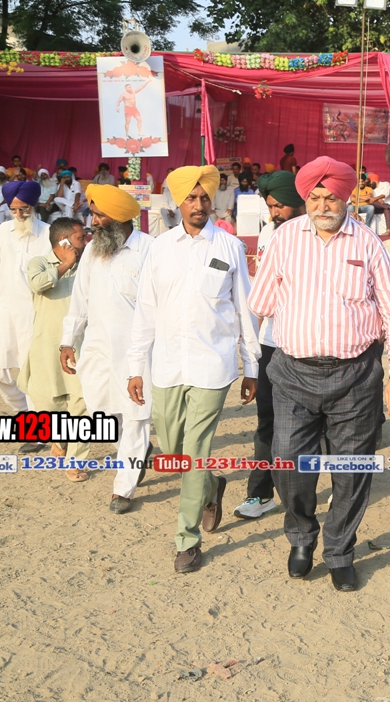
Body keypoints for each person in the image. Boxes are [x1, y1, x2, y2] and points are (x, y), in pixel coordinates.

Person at [247, 157, 390, 592]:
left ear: (347, 200)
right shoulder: (284, 238)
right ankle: (301, 536)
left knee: (351, 470)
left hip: (355, 376)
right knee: (288, 462)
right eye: (315, 197)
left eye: (331, 198)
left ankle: (340, 551)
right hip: (293, 374)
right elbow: (259, 302)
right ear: (306, 198)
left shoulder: (369, 244)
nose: (322, 206)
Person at [127, 166, 260, 574]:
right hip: (166, 365)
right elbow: (145, 311)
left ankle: (187, 540)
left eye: (204, 198)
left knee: (195, 453)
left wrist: (252, 364)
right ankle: (212, 485)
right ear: (177, 203)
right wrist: (135, 366)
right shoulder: (159, 248)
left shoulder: (230, 247)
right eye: (191, 198)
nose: (199, 205)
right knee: (172, 450)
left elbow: (245, 309)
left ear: (212, 201)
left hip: (212, 365)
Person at [61, 184, 156, 514]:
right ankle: (138, 452)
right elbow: (80, 298)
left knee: (135, 415)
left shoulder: (149, 249)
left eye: (99, 215)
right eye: (93, 214)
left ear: (119, 217)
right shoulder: (92, 250)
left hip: (137, 352)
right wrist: (67, 340)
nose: (93, 221)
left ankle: (123, 488)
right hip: (97, 348)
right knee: (101, 412)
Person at [233, 171, 305, 521]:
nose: (274, 213)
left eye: (280, 206)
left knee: (306, 427)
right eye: (270, 206)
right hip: (271, 342)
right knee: (267, 421)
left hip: (306, 345)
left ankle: (302, 497)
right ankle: (260, 494)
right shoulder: (268, 232)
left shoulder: (316, 235)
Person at [19, 217, 91, 482]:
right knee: (48, 403)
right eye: (80, 238)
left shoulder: (89, 265)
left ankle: (76, 460)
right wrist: (66, 265)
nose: (86, 242)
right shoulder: (37, 263)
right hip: (45, 346)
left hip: (81, 346)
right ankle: (59, 440)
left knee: (81, 402)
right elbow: (38, 284)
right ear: (64, 241)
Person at [0, 180, 52, 449]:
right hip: (4, 310)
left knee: (30, 372)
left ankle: (37, 430)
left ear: (34, 206)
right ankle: (25, 413)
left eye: (23, 209)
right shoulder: (2, 231)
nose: (19, 214)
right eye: (13, 209)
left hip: (34, 313)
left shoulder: (48, 233)